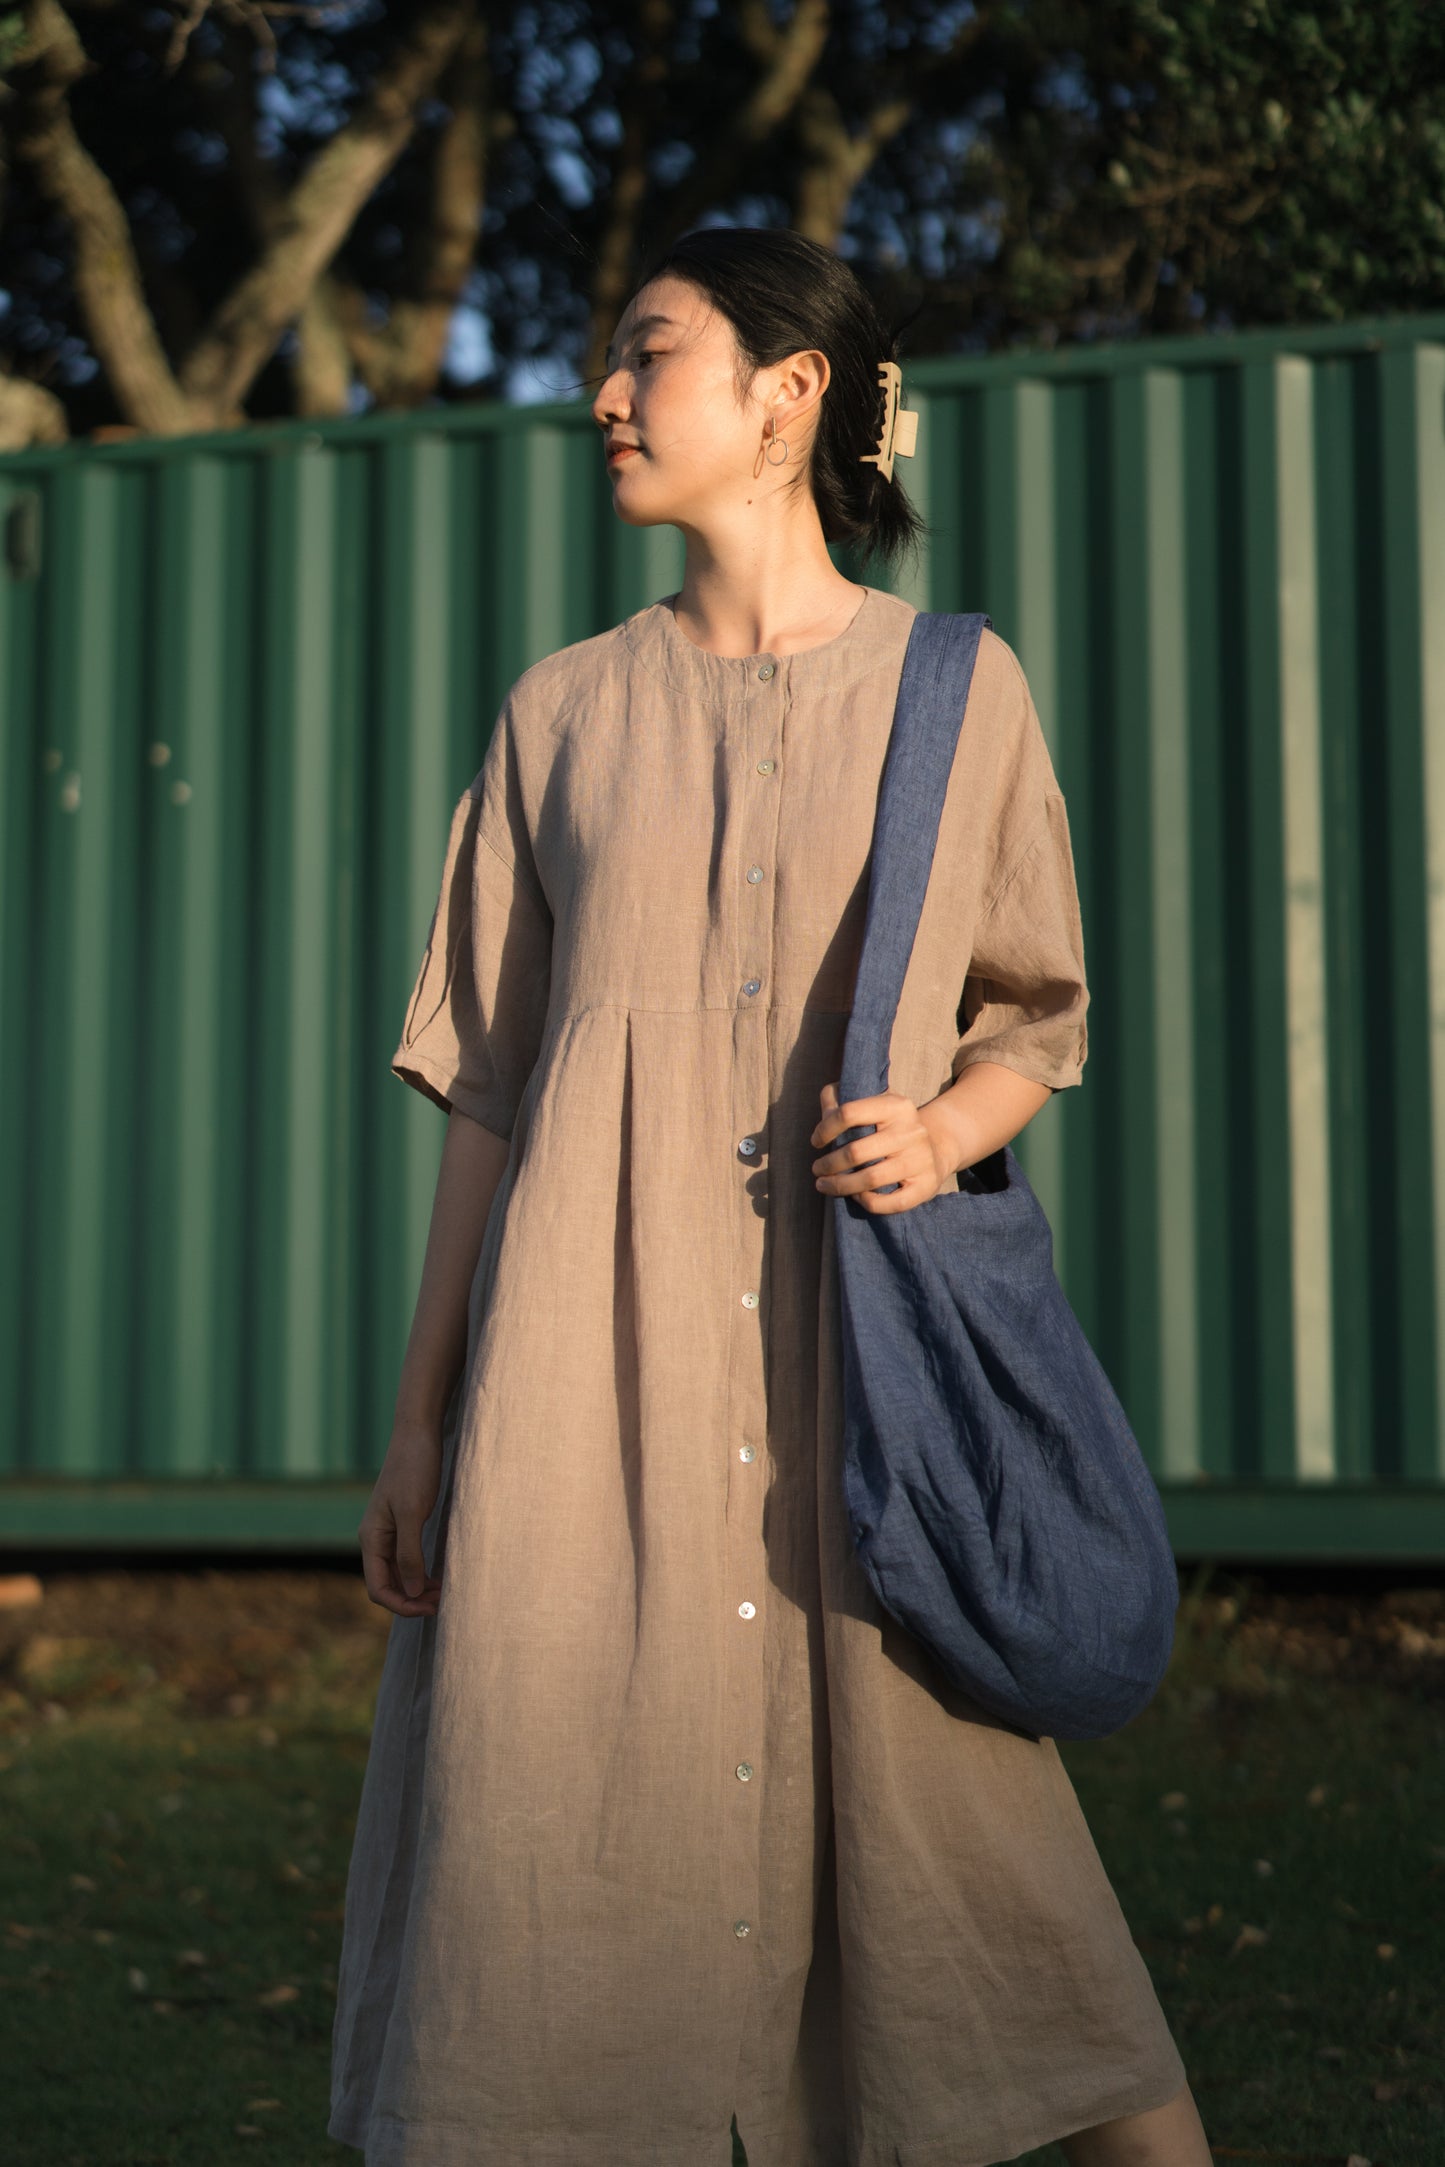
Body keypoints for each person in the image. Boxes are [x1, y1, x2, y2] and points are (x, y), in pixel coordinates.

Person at [328, 225, 1213, 2167]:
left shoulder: (955, 697)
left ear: (791, 394)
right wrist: (423, 1420)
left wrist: (948, 1129)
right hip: (584, 1392)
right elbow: (488, 1091)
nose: (606, 396)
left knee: (982, 1859)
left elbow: (1030, 1018)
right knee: (552, 1864)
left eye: (649, 354)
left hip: (858, 1385)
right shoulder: (558, 714)